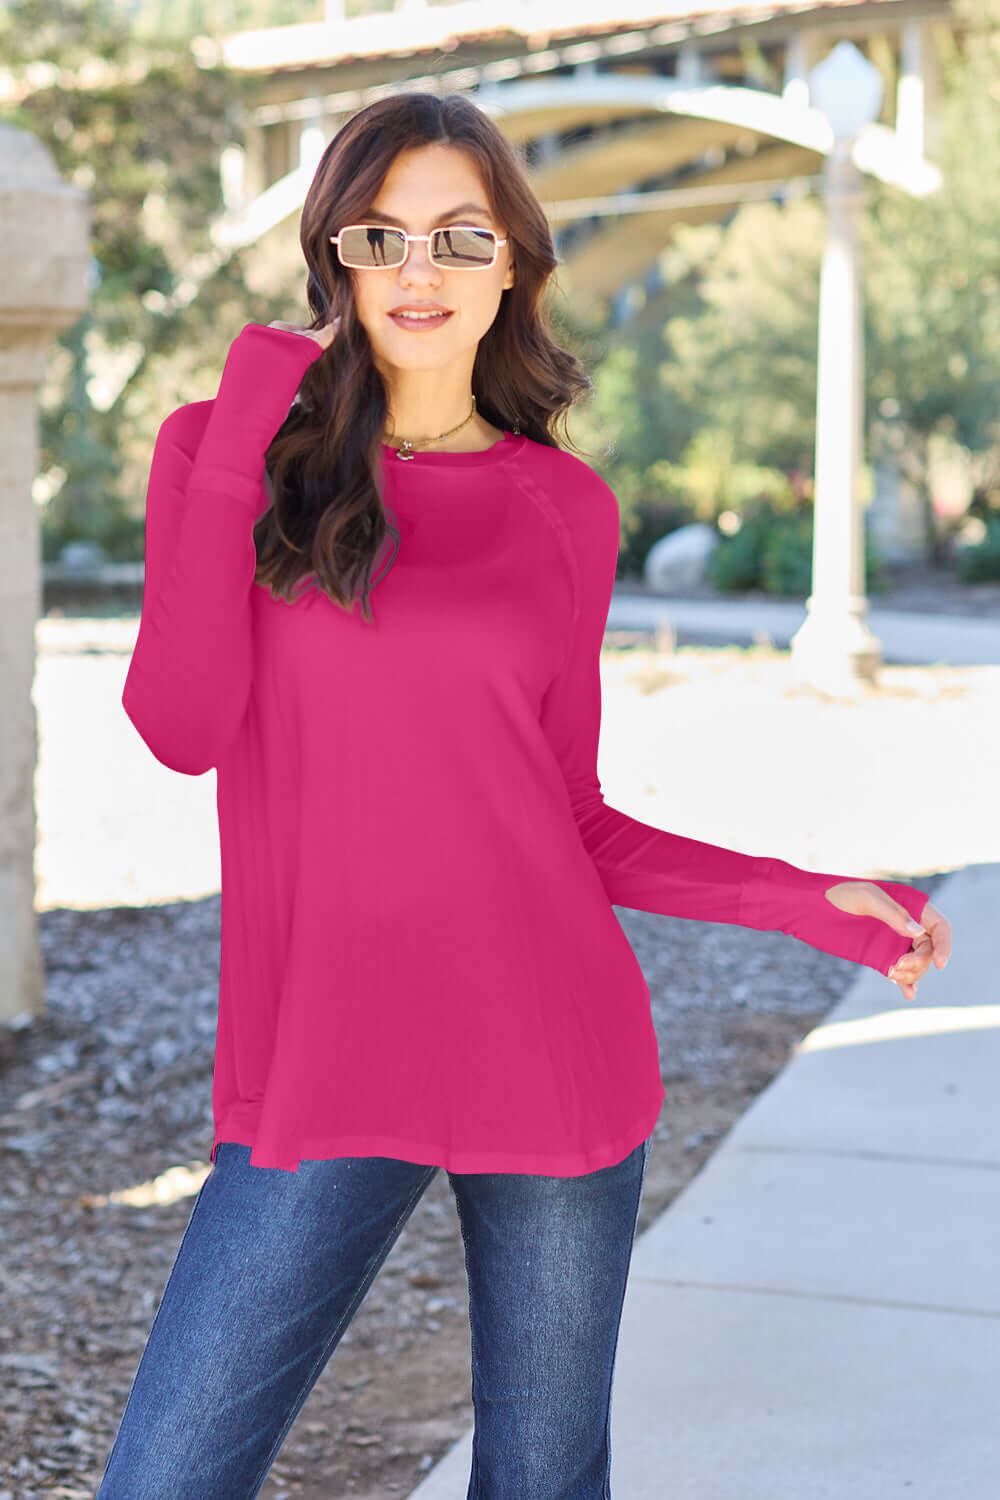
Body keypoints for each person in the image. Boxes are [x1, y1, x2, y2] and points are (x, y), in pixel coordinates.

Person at [96, 91, 951, 1500]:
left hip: (550, 1046)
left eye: (458, 235)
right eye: (383, 236)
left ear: (512, 265)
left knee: (547, 1483)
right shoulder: (229, 455)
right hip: (325, 1059)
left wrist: (814, 902)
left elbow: (570, 813)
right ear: (336, 262)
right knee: (166, 1478)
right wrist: (248, 420)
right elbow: (179, 728)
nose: (419, 269)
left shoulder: (565, 509)